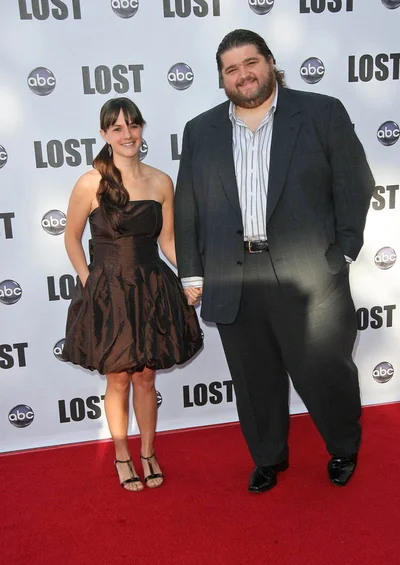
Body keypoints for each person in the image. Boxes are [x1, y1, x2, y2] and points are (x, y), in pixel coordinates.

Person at [174, 29, 375, 493]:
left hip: (310, 274)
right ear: (222, 78)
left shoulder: (321, 112)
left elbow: (354, 181)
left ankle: (343, 446)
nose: (243, 74)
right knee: (252, 377)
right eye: (231, 68)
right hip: (233, 274)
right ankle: (268, 457)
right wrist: (192, 269)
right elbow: (187, 206)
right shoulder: (201, 130)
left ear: (269, 62)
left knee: (325, 371)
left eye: (251, 62)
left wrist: (342, 251)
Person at [63, 97, 203, 492]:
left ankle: (148, 451)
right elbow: (71, 238)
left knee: (145, 378)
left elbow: (169, 240)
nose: (128, 135)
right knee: (119, 380)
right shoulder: (91, 182)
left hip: (151, 288)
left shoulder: (161, 181)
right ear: (105, 135)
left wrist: (192, 277)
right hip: (109, 291)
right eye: (118, 128)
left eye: (133, 126)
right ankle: (122, 455)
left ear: (142, 129)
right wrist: (90, 281)